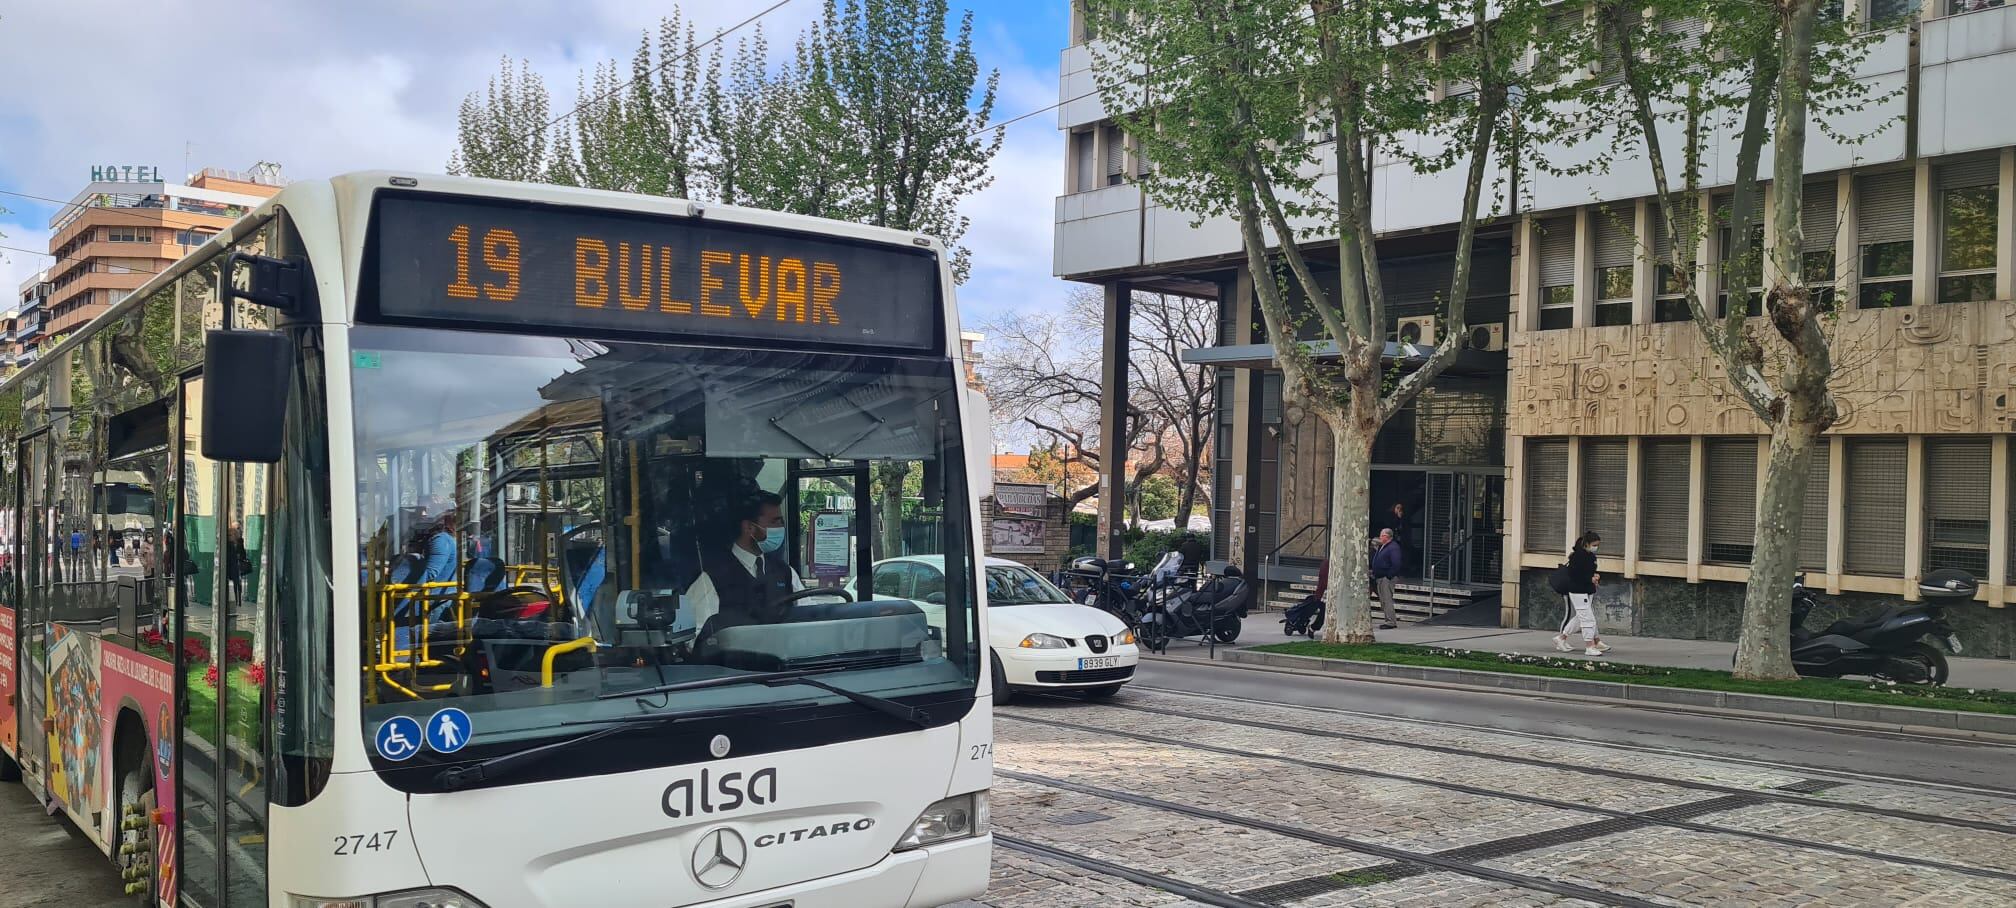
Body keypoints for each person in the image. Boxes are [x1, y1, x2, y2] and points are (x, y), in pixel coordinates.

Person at [685, 491, 803, 635]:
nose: (781, 527)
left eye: (781, 522)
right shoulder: (711, 579)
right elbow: (696, 637)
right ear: (749, 527)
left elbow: (809, 615)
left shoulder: (785, 572)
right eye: (775, 522)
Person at [1554, 531, 1609, 656]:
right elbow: (1575, 575)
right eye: (1594, 545)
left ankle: (1561, 638)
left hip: (1587, 590)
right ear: (1587, 544)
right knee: (1587, 619)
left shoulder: (1590, 556)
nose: (1596, 547)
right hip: (1578, 590)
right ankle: (1590, 646)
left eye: (1597, 545)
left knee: (1581, 617)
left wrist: (1595, 576)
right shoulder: (1577, 556)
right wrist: (1590, 579)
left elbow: (1589, 571)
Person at [1370, 527, 1402, 630]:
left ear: (1386, 536)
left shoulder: (1393, 547)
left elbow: (1396, 563)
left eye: (1381, 535)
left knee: (1387, 599)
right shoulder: (1382, 546)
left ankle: (1390, 621)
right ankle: (1388, 619)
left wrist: (1388, 576)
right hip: (1379, 577)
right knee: (1383, 600)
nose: (1380, 537)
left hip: (1386, 578)